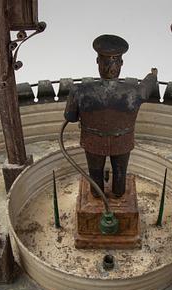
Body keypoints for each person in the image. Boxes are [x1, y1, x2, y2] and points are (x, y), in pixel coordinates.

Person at [64, 34, 158, 197]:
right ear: (121, 63)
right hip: (122, 141)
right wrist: (153, 74)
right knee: (120, 171)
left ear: (97, 62)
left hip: (93, 142)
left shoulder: (79, 90)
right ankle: (119, 193)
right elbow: (147, 85)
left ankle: (97, 194)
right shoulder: (134, 91)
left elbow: (70, 117)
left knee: (95, 172)